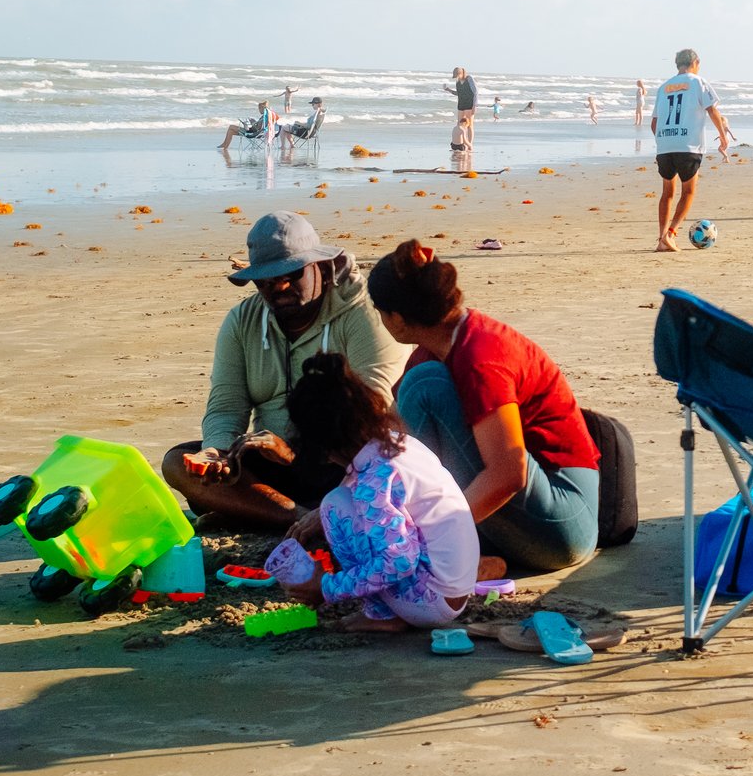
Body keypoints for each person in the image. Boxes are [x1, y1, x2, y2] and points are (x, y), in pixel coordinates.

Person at [159, 213, 411, 528]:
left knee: (379, 464)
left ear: (320, 265)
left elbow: (371, 414)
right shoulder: (241, 322)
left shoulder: (365, 314)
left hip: (346, 461)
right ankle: (302, 517)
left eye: (291, 275)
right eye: (264, 281)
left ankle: (266, 512)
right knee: (175, 464)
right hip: (272, 466)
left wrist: (293, 454)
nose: (279, 287)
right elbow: (226, 406)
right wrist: (218, 453)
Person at [367, 239, 600, 574]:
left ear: (398, 319)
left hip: (566, 521)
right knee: (418, 386)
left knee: (424, 386)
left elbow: (509, 474)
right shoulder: (436, 346)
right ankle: (461, 549)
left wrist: (426, 535)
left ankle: (443, 550)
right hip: (524, 513)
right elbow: (391, 433)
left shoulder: (480, 357)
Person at [263, 354, 479, 632]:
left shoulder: (375, 480)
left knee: (333, 506)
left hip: (429, 603)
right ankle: (390, 610)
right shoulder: (399, 444)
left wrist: (327, 587)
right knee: (341, 501)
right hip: (454, 591)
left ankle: (382, 614)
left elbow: (398, 561)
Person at [651, 48, 729, 252]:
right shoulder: (698, 82)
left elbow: (654, 123)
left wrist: (662, 142)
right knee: (688, 191)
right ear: (696, 62)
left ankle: (661, 238)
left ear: (677, 64)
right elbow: (712, 110)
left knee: (667, 192)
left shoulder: (663, 87)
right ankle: (670, 234)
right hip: (688, 146)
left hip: (665, 145)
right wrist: (722, 136)